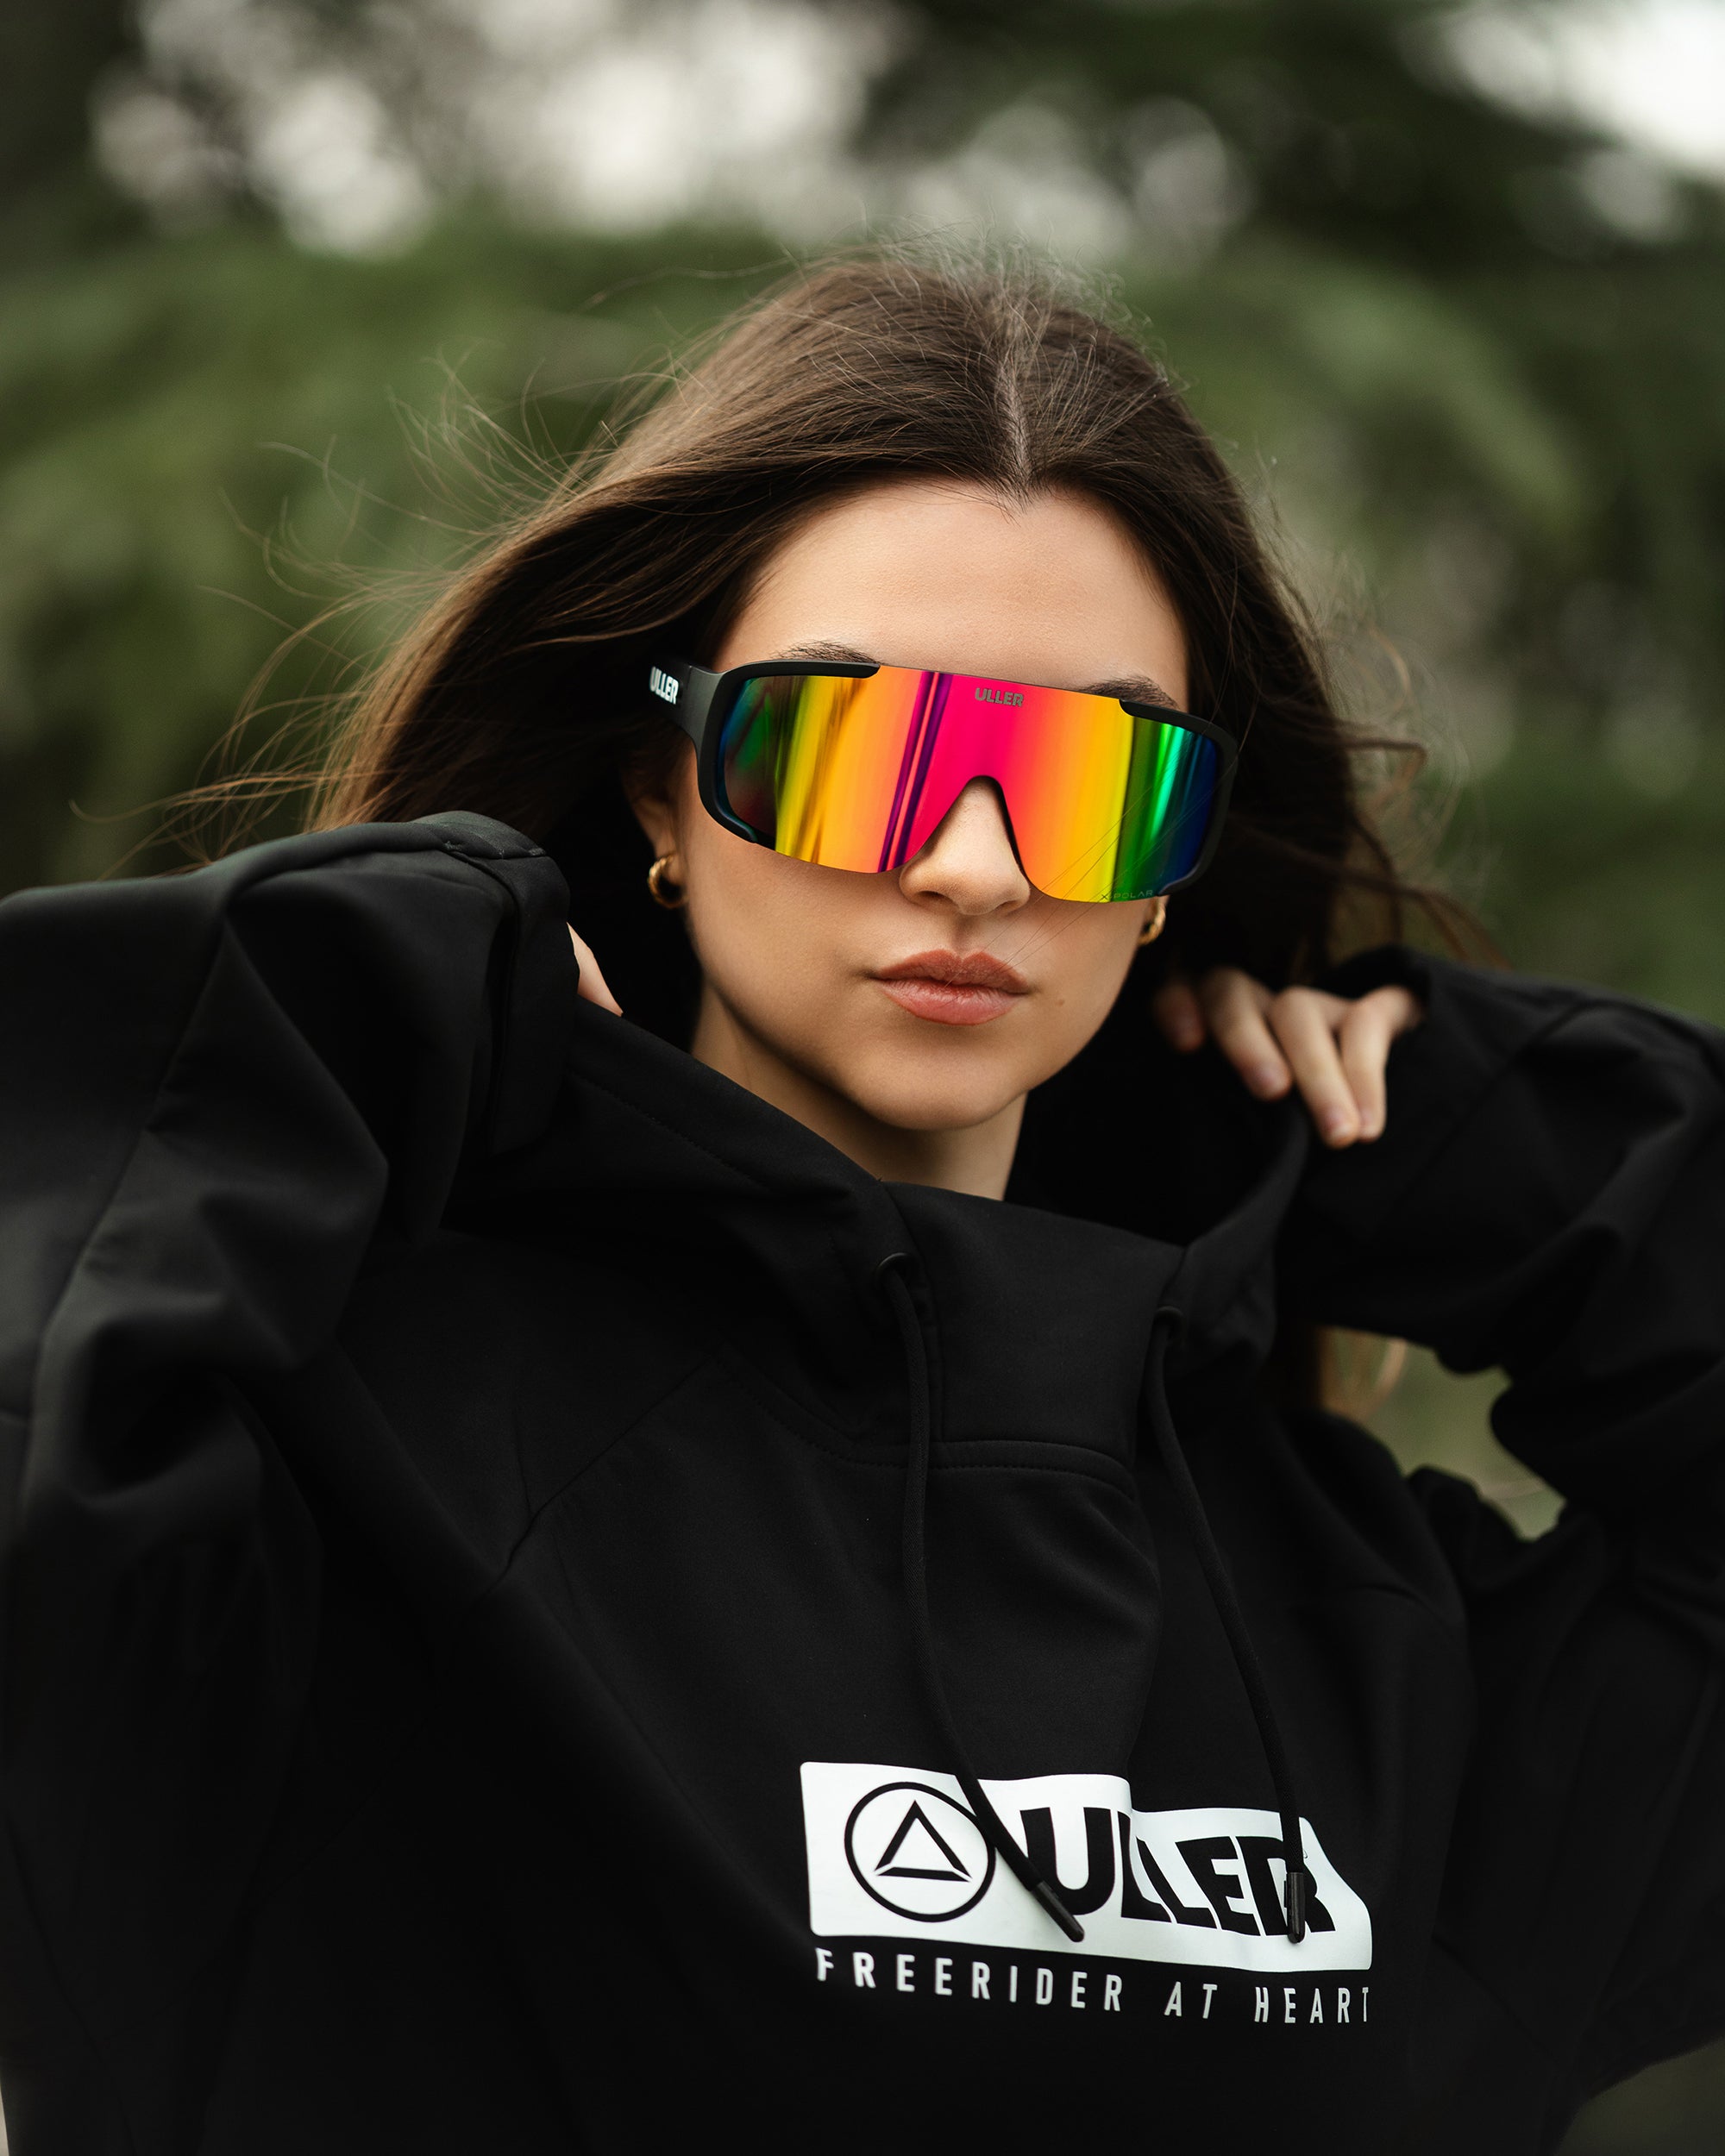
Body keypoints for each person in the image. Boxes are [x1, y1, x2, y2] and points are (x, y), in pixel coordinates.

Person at [0, 254, 1721, 2156]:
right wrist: (339, 982)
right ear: (662, 788)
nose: (975, 864)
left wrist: (1462, 1132)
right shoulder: (338, 1456)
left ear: (1178, 860)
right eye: (851, 748)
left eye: (1093, 778)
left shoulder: (1363, 1627)